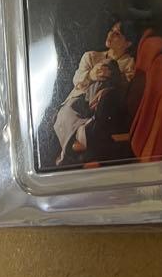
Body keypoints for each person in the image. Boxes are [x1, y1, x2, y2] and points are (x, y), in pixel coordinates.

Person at [51, 18, 138, 166]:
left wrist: (111, 82)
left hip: (101, 108)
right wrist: (91, 75)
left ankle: (78, 144)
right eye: (111, 31)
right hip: (80, 100)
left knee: (110, 68)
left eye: (117, 34)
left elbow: (125, 91)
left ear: (128, 43)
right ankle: (77, 143)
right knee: (66, 113)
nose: (110, 35)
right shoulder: (91, 56)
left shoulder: (129, 64)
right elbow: (77, 81)